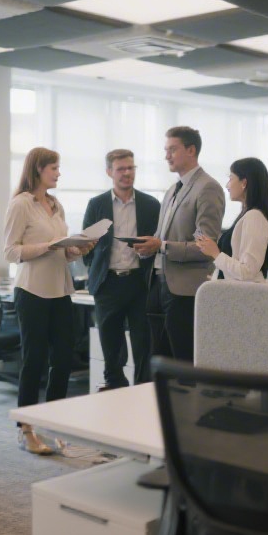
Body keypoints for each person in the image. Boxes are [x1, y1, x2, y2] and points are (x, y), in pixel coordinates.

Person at [3, 147, 94, 455]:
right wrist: (47, 246)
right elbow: (10, 251)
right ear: (38, 169)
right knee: (34, 360)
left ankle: (56, 423)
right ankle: (26, 429)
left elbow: (63, 252)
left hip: (60, 289)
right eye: (54, 168)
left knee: (64, 359)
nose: (58, 173)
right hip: (32, 291)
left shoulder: (56, 205)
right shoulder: (21, 205)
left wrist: (77, 248)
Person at [133, 127, 226, 363]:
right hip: (158, 284)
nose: (167, 156)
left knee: (184, 361)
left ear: (191, 150)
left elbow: (205, 246)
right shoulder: (172, 190)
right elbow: (160, 236)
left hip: (186, 289)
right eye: (166, 150)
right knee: (158, 360)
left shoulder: (208, 187)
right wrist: (146, 246)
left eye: (172, 150)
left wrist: (162, 246)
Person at [82, 149, 161, 389]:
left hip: (140, 283)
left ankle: (143, 391)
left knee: (143, 344)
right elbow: (87, 246)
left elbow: (159, 242)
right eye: (121, 169)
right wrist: (98, 271)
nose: (127, 173)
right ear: (109, 172)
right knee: (111, 345)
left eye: (131, 168)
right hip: (109, 283)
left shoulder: (150, 204)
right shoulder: (97, 204)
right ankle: (115, 388)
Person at [194, 157, 268, 282]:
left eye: (230, 178)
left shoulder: (255, 217)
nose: (227, 185)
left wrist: (215, 253)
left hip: (244, 297)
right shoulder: (248, 215)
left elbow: (247, 272)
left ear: (244, 183)